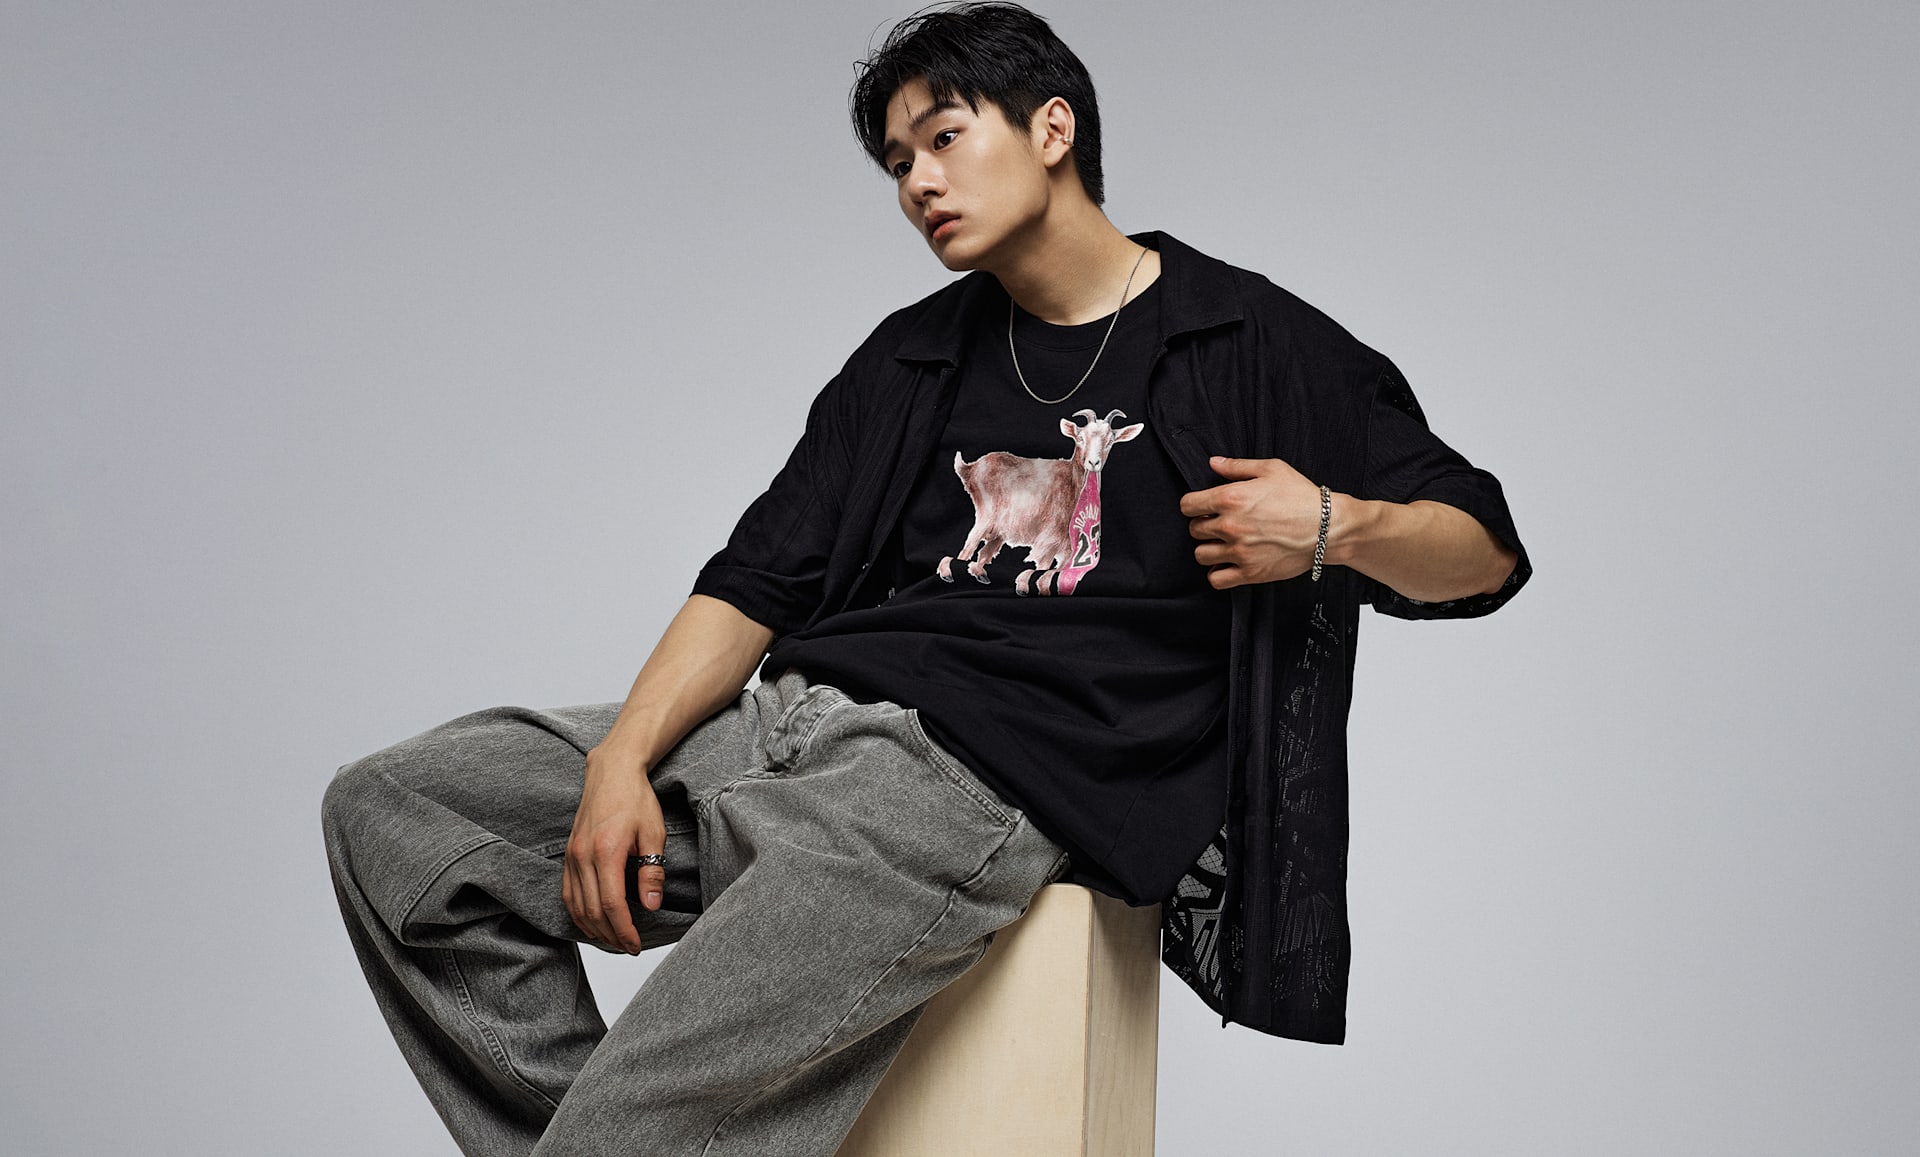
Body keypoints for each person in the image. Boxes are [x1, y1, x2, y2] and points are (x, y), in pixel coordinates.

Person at [321, 4, 1530, 1154]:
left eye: (943, 139)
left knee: (644, 1108)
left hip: (968, 788)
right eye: (898, 164)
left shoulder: (1245, 338)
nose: (917, 185)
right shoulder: (910, 357)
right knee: (400, 814)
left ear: (1052, 129)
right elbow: (755, 579)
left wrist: (1330, 523)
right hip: (795, 732)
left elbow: (1481, 549)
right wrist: (620, 758)